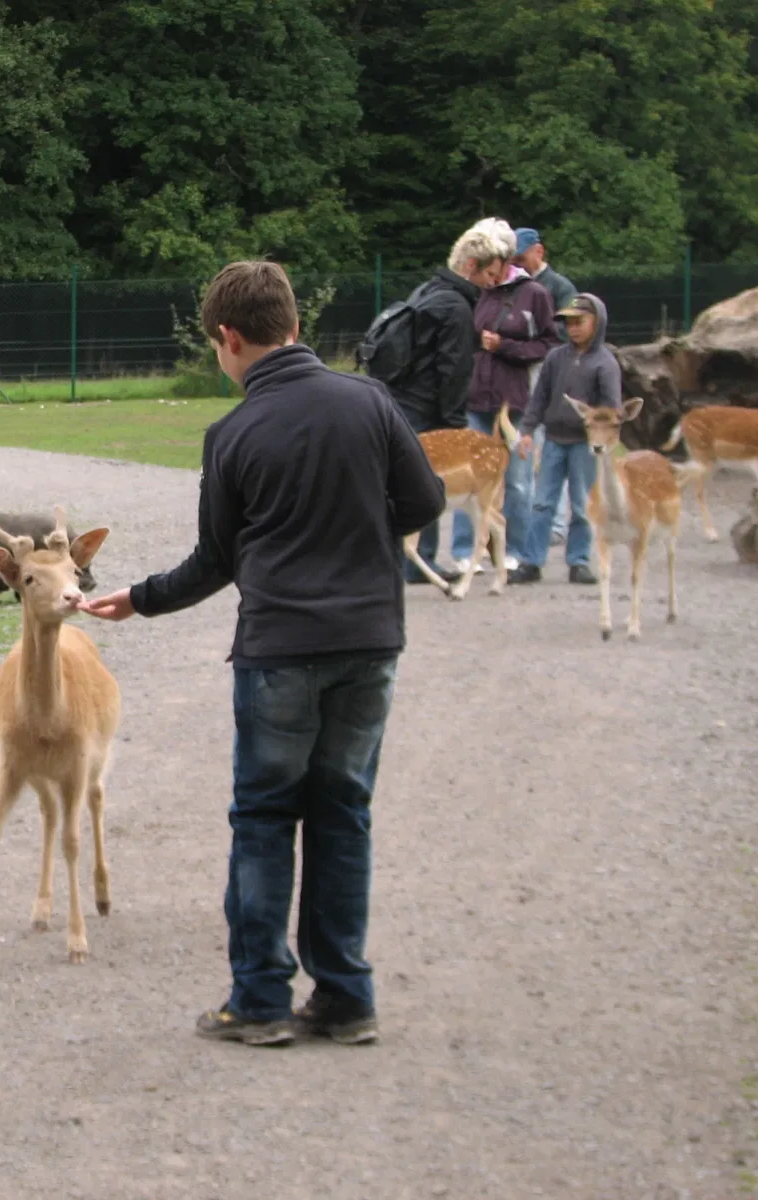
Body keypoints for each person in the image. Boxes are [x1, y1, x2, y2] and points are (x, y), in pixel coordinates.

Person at [82, 260, 446, 1048]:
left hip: (281, 649)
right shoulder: (370, 402)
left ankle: (260, 1000)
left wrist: (137, 597)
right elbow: (423, 502)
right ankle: (346, 996)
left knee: (264, 818)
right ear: (296, 326)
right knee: (343, 812)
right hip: (369, 642)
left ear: (230, 338)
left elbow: (215, 560)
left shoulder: (235, 433)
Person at [388, 224, 510, 584]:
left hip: (402, 399)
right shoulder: (457, 306)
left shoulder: (428, 292)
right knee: (427, 481)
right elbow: (453, 370)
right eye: (489, 274)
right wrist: (455, 425)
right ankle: (419, 562)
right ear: (471, 265)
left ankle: (408, 561)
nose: (491, 282)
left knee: (404, 480)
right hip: (427, 407)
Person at [452, 221, 558, 572]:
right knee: (471, 477)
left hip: (516, 403)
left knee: (517, 480)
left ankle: (515, 551)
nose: (491, 276)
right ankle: (468, 550)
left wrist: (506, 346)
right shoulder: (476, 292)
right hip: (477, 400)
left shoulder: (535, 294)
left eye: (494, 267)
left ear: (504, 259)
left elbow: (549, 344)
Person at [510, 293, 621, 584]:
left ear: (597, 322)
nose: (572, 328)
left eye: (579, 321)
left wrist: (603, 439)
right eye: (568, 322)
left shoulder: (605, 363)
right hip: (554, 440)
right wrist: (527, 431)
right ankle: (531, 562)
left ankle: (579, 561)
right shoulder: (555, 357)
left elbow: (611, 409)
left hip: (586, 445)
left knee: (583, 504)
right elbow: (539, 397)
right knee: (542, 502)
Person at [514, 228, 578, 544]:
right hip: (522, 373)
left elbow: (570, 333)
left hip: (552, 374)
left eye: (522, 257)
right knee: (529, 444)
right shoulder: (515, 284)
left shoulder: (560, 287)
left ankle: (555, 525)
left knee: (552, 444)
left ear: (538, 251)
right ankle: (532, 522)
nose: (518, 263)